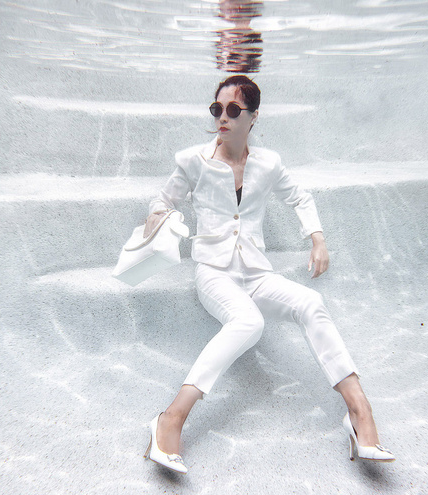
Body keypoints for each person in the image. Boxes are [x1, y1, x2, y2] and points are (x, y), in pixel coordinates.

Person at [142, 75, 394, 474]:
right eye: (216, 109)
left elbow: (300, 196)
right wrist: (161, 216)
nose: (222, 117)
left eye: (233, 110)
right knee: (249, 322)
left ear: (253, 117)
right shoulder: (193, 160)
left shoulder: (268, 163)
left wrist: (318, 239)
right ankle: (171, 418)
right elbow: (163, 198)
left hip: (257, 272)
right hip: (214, 272)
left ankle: (359, 413)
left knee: (312, 302)